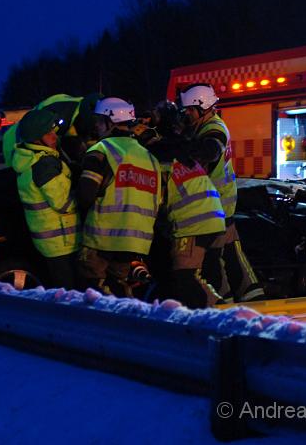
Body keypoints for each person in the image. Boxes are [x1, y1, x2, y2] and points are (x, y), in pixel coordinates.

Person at [178, 83, 265, 303]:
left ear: (203, 106)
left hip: (214, 207)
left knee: (214, 262)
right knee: (230, 257)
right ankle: (249, 298)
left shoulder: (214, 129)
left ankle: (227, 302)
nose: (187, 114)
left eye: (189, 110)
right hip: (220, 205)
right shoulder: (207, 126)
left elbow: (210, 149)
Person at [76, 97, 162, 297]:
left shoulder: (101, 151)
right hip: (135, 242)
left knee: (93, 290)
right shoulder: (149, 157)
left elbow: (85, 195)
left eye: (99, 121)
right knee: (118, 286)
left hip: (101, 238)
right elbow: (157, 200)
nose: (96, 126)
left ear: (110, 122)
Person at [143, 100, 225, 308]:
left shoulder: (158, 155)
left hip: (193, 221)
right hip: (209, 215)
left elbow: (157, 196)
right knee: (197, 275)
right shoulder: (182, 149)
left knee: (184, 275)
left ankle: (219, 310)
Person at [10, 108, 80, 289]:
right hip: (63, 242)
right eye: (49, 134)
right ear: (36, 139)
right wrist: (89, 198)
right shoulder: (43, 165)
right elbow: (64, 202)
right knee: (70, 296)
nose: (55, 137)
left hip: (51, 243)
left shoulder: (29, 159)